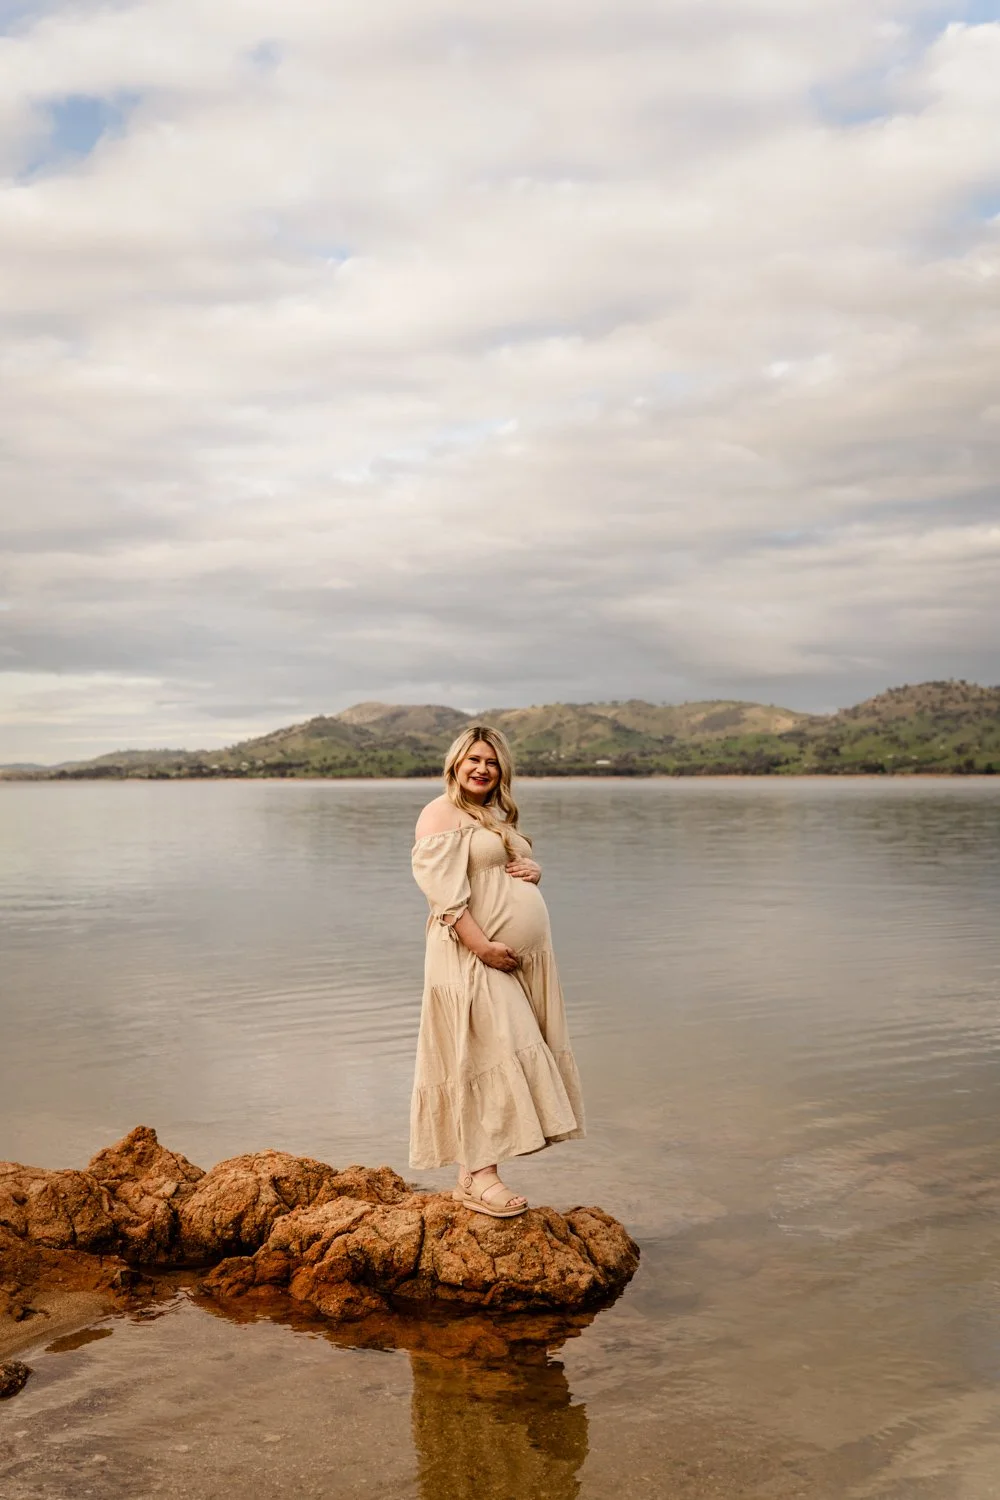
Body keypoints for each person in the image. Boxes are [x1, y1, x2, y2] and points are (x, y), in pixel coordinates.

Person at [409, 725, 585, 1218]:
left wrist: (534, 869)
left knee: (492, 1050)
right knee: (485, 1052)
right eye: (473, 759)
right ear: (455, 765)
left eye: (490, 761)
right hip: (469, 954)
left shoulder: (491, 815)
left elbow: (504, 870)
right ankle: (479, 1176)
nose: (482, 768)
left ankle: (473, 1174)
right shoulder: (439, 812)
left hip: (507, 958)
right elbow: (442, 892)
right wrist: (483, 947)